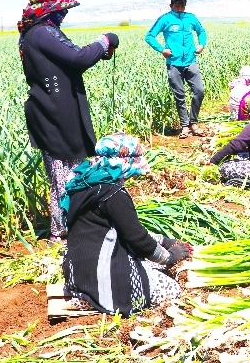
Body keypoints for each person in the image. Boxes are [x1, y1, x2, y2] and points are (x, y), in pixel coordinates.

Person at [17, 0, 119, 240]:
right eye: (61, 9)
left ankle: (74, 225)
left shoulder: (41, 31)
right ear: (49, 9)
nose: (65, 14)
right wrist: (104, 41)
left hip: (55, 110)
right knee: (63, 174)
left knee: (70, 169)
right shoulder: (42, 33)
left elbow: (69, 61)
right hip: (52, 114)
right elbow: (78, 58)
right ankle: (62, 232)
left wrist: (101, 52)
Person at [59, 133, 192, 316]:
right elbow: (137, 239)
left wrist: (165, 240)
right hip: (99, 273)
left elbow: (126, 229)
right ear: (125, 163)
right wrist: (170, 256)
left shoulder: (83, 182)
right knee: (171, 289)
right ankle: (98, 299)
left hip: (77, 271)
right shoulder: (113, 193)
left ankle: (87, 294)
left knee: (151, 266)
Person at [145, 0, 207, 139]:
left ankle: (194, 122)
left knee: (199, 91)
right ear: (171, 5)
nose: (180, 9)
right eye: (177, 6)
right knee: (180, 96)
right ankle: (185, 126)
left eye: (182, 6)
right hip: (174, 64)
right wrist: (162, 50)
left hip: (191, 61)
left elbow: (201, 31)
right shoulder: (165, 19)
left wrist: (201, 44)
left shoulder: (191, 17)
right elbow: (149, 36)